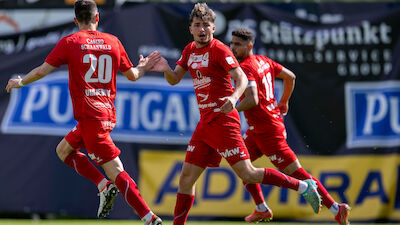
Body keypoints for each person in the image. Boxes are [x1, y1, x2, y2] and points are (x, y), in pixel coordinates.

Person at [150, 3, 322, 225]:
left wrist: (232, 98)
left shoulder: (220, 49)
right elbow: (174, 79)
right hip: (205, 124)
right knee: (185, 179)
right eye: (197, 25)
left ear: (213, 28)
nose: (202, 29)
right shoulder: (189, 50)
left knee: (248, 174)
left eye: (206, 25)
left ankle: (303, 186)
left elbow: (240, 79)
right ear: (191, 28)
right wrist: (165, 68)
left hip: (224, 122)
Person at [5, 1, 162, 224]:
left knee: (116, 171)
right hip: (106, 114)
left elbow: (42, 70)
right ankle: (102, 185)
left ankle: (149, 217)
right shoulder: (113, 41)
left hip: (90, 116)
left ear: (76, 20)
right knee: (63, 150)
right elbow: (133, 75)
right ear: (97, 18)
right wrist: (144, 66)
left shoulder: (71, 41)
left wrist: (21, 82)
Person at [230, 28, 351, 225]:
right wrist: (284, 102)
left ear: (249, 46)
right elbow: (291, 77)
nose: (233, 47)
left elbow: (252, 100)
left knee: (300, 175)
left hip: (268, 131)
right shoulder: (263, 60)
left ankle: (337, 208)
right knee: (241, 164)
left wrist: (230, 107)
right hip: (259, 129)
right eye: (232, 43)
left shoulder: (246, 67)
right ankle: (261, 208)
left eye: (238, 44)